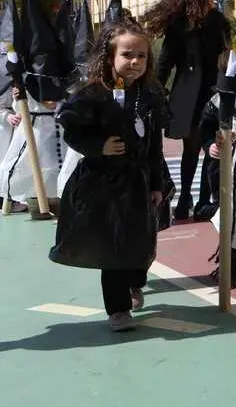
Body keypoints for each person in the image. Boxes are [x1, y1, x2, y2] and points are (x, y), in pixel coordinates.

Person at [49, 19, 165, 332]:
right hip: (105, 184)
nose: (135, 62)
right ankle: (118, 309)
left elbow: (153, 145)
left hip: (138, 182)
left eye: (141, 55)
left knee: (141, 244)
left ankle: (134, 283)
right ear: (109, 56)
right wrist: (98, 146)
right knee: (114, 247)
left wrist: (158, 183)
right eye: (128, 54)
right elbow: (71, 126)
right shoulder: (94, 94)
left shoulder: (150, 95)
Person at [143, 0, 231, 220]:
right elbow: (165, 61)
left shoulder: (218, 22)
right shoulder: (178, 26)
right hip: (186, 95)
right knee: (191, 148)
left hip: (213, 93)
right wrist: (155, 91)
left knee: (209, 146)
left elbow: (226, 58)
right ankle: (184, 197)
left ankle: (204, 199)